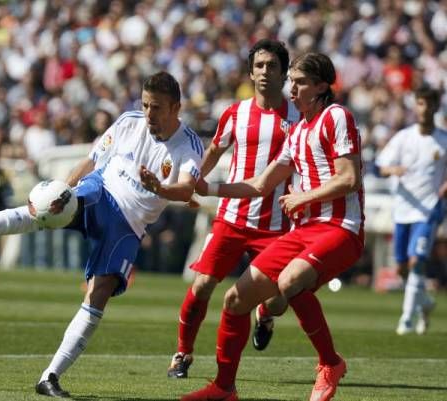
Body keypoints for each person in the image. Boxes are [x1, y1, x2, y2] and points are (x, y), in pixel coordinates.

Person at [0, 71, 203, 398]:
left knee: (100, 292)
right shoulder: (128, 122)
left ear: (175, 108)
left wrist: (160, 187)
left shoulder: (189, 144)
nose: (149, 114)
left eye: (157, 108)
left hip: (129, 224)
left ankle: (49, 377)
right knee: (49, 207)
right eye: (146, 105)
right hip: (101, 191)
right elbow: (92, 160)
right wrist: (64, 189)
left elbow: (185, 190)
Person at [182, 52, 364, 401]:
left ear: (322, 87)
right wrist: (209, 189)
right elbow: (261, 185)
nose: (291, 87)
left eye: (299, 82)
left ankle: (330, 363)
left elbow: (350, 178)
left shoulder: (337, 117)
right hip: (304, 232)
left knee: (290, 281)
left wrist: (303, 197)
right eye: (291, 80)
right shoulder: (296, 133)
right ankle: (224, 389)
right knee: (236, 299)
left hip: (342, 226)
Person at [167, 39, 301, 379]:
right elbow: (214, 149)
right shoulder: (236, 113)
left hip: (276, 226)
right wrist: (192, 179)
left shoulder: (300, 117)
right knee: (201, 286)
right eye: (259, 66)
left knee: (278, 299)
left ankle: (266, 315)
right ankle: (182, 354)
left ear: (284, 72)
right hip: (232, 217)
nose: (265, 72)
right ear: (250, 72)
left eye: (272, 66)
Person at [376, 85, 447, 335]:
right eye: (420, 103)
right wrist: (391, 170)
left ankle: (407, 318)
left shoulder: (443, 140)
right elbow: (380, 165)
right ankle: (425, 302)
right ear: (415, 105)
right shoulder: (404, 137)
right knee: (402, 267)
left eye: (429, 103)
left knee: (417, 262)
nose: (424, 108)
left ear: (436, 107)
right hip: (404, 209)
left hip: (429, 209)